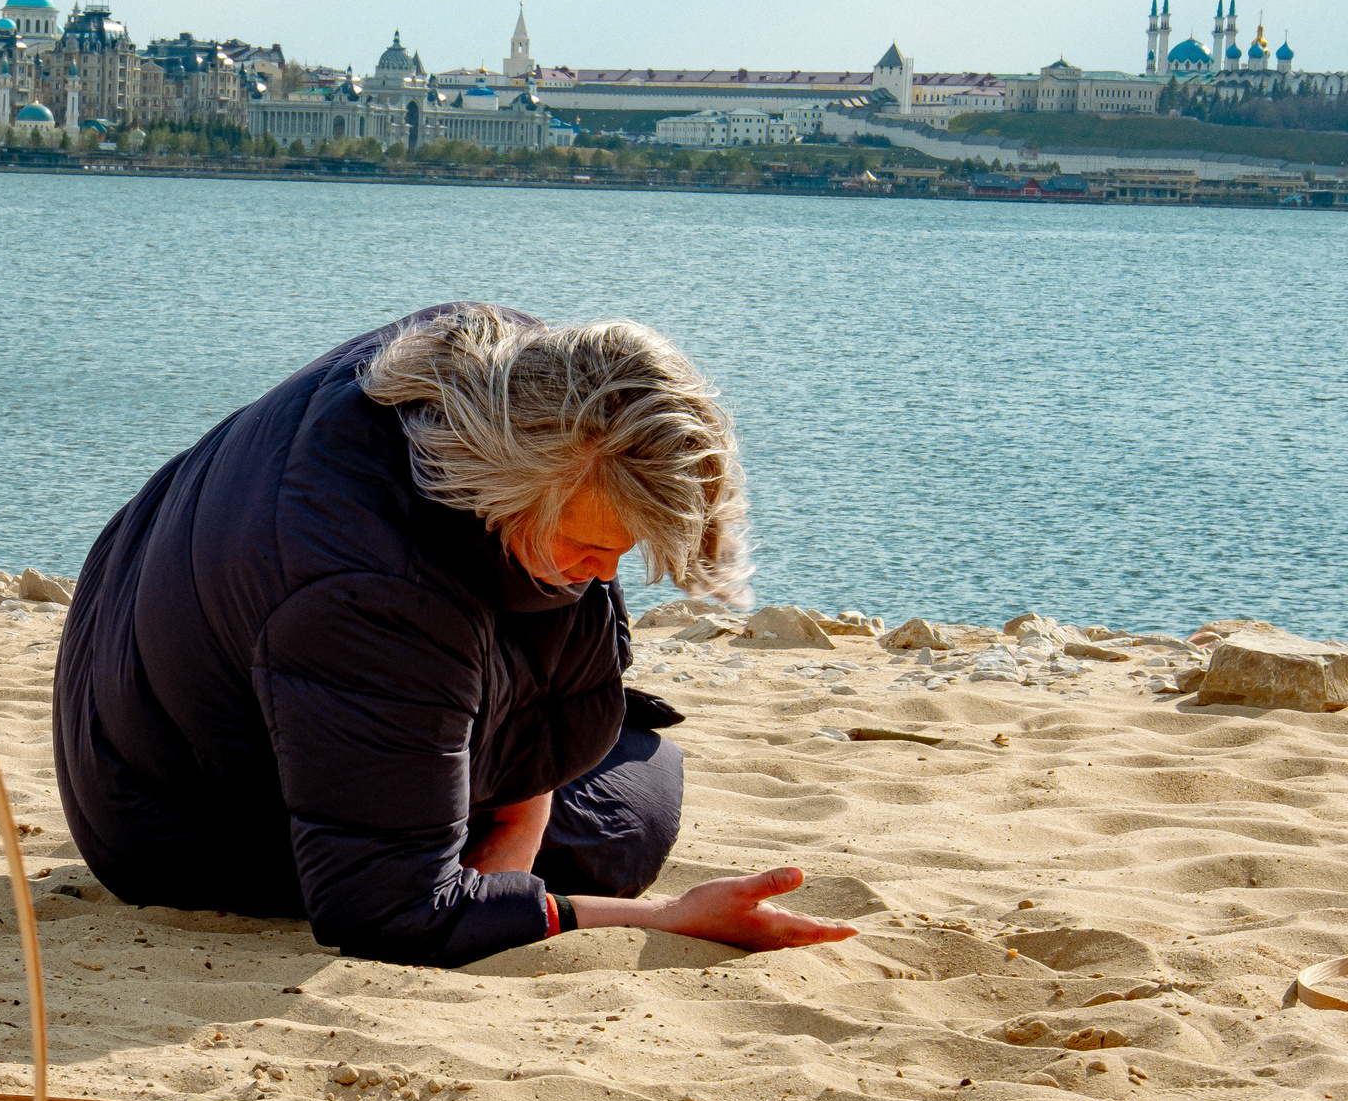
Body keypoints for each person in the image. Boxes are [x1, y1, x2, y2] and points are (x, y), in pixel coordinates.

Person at [51, 302, 858, 968]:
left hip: (137, 645)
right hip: (173, 812)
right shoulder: (371, 592)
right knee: (627, 815)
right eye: (591, 543)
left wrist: (518, 818)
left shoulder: (508, 368)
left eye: (625, 550)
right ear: (515, 483)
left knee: (623, 754)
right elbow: (391, 912)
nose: (608, 573)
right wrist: (669, 916)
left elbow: (549, 655)